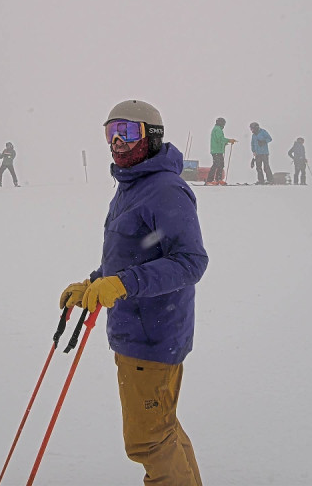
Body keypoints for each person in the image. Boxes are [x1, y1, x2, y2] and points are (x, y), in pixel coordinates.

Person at [59, 100, 207, 486]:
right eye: (110, 133)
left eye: (127, 132)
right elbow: (129, 255)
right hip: (135, 333)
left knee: (149, 441)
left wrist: (122, 284)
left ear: (152, 137)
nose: (117, 143)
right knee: (162, 428)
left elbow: (190, 261)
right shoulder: (133, 187)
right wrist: (94, 283)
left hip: (154, 337)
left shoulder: (166, 190)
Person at [206, 117, 236, 185]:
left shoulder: (217, 129)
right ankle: (209, 180)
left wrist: (224, 143)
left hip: (218, 150)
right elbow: (220, 139)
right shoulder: (217, 129)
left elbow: (218, 140)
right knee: (216, 164)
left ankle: (218, 179)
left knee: (221, 165)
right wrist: (229, 140)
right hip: (216, 151)